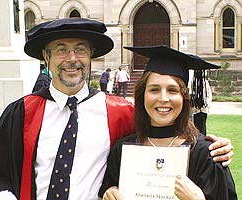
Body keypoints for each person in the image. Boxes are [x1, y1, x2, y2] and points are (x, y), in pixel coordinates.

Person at [0, 18, 233, 200]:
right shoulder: (21, 113)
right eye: (61, 50)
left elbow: (164, 136)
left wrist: (216, 147)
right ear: (46, 58)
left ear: (91, 56)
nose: (72, 58)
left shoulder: (119, 112)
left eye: (80, 49)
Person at [99, 45, 237, 200]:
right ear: (142, 95)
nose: (163, 98)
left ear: (184, 98)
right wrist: (109, 193)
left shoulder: (206, 155)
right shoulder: (122, 151)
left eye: (172, 90)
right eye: (154, 90)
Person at [190, 69, 212, 135]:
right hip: (194, 110)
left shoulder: (204, 83)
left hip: (200, 110)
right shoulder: (192, 81)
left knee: (200, 131)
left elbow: (207, 97)